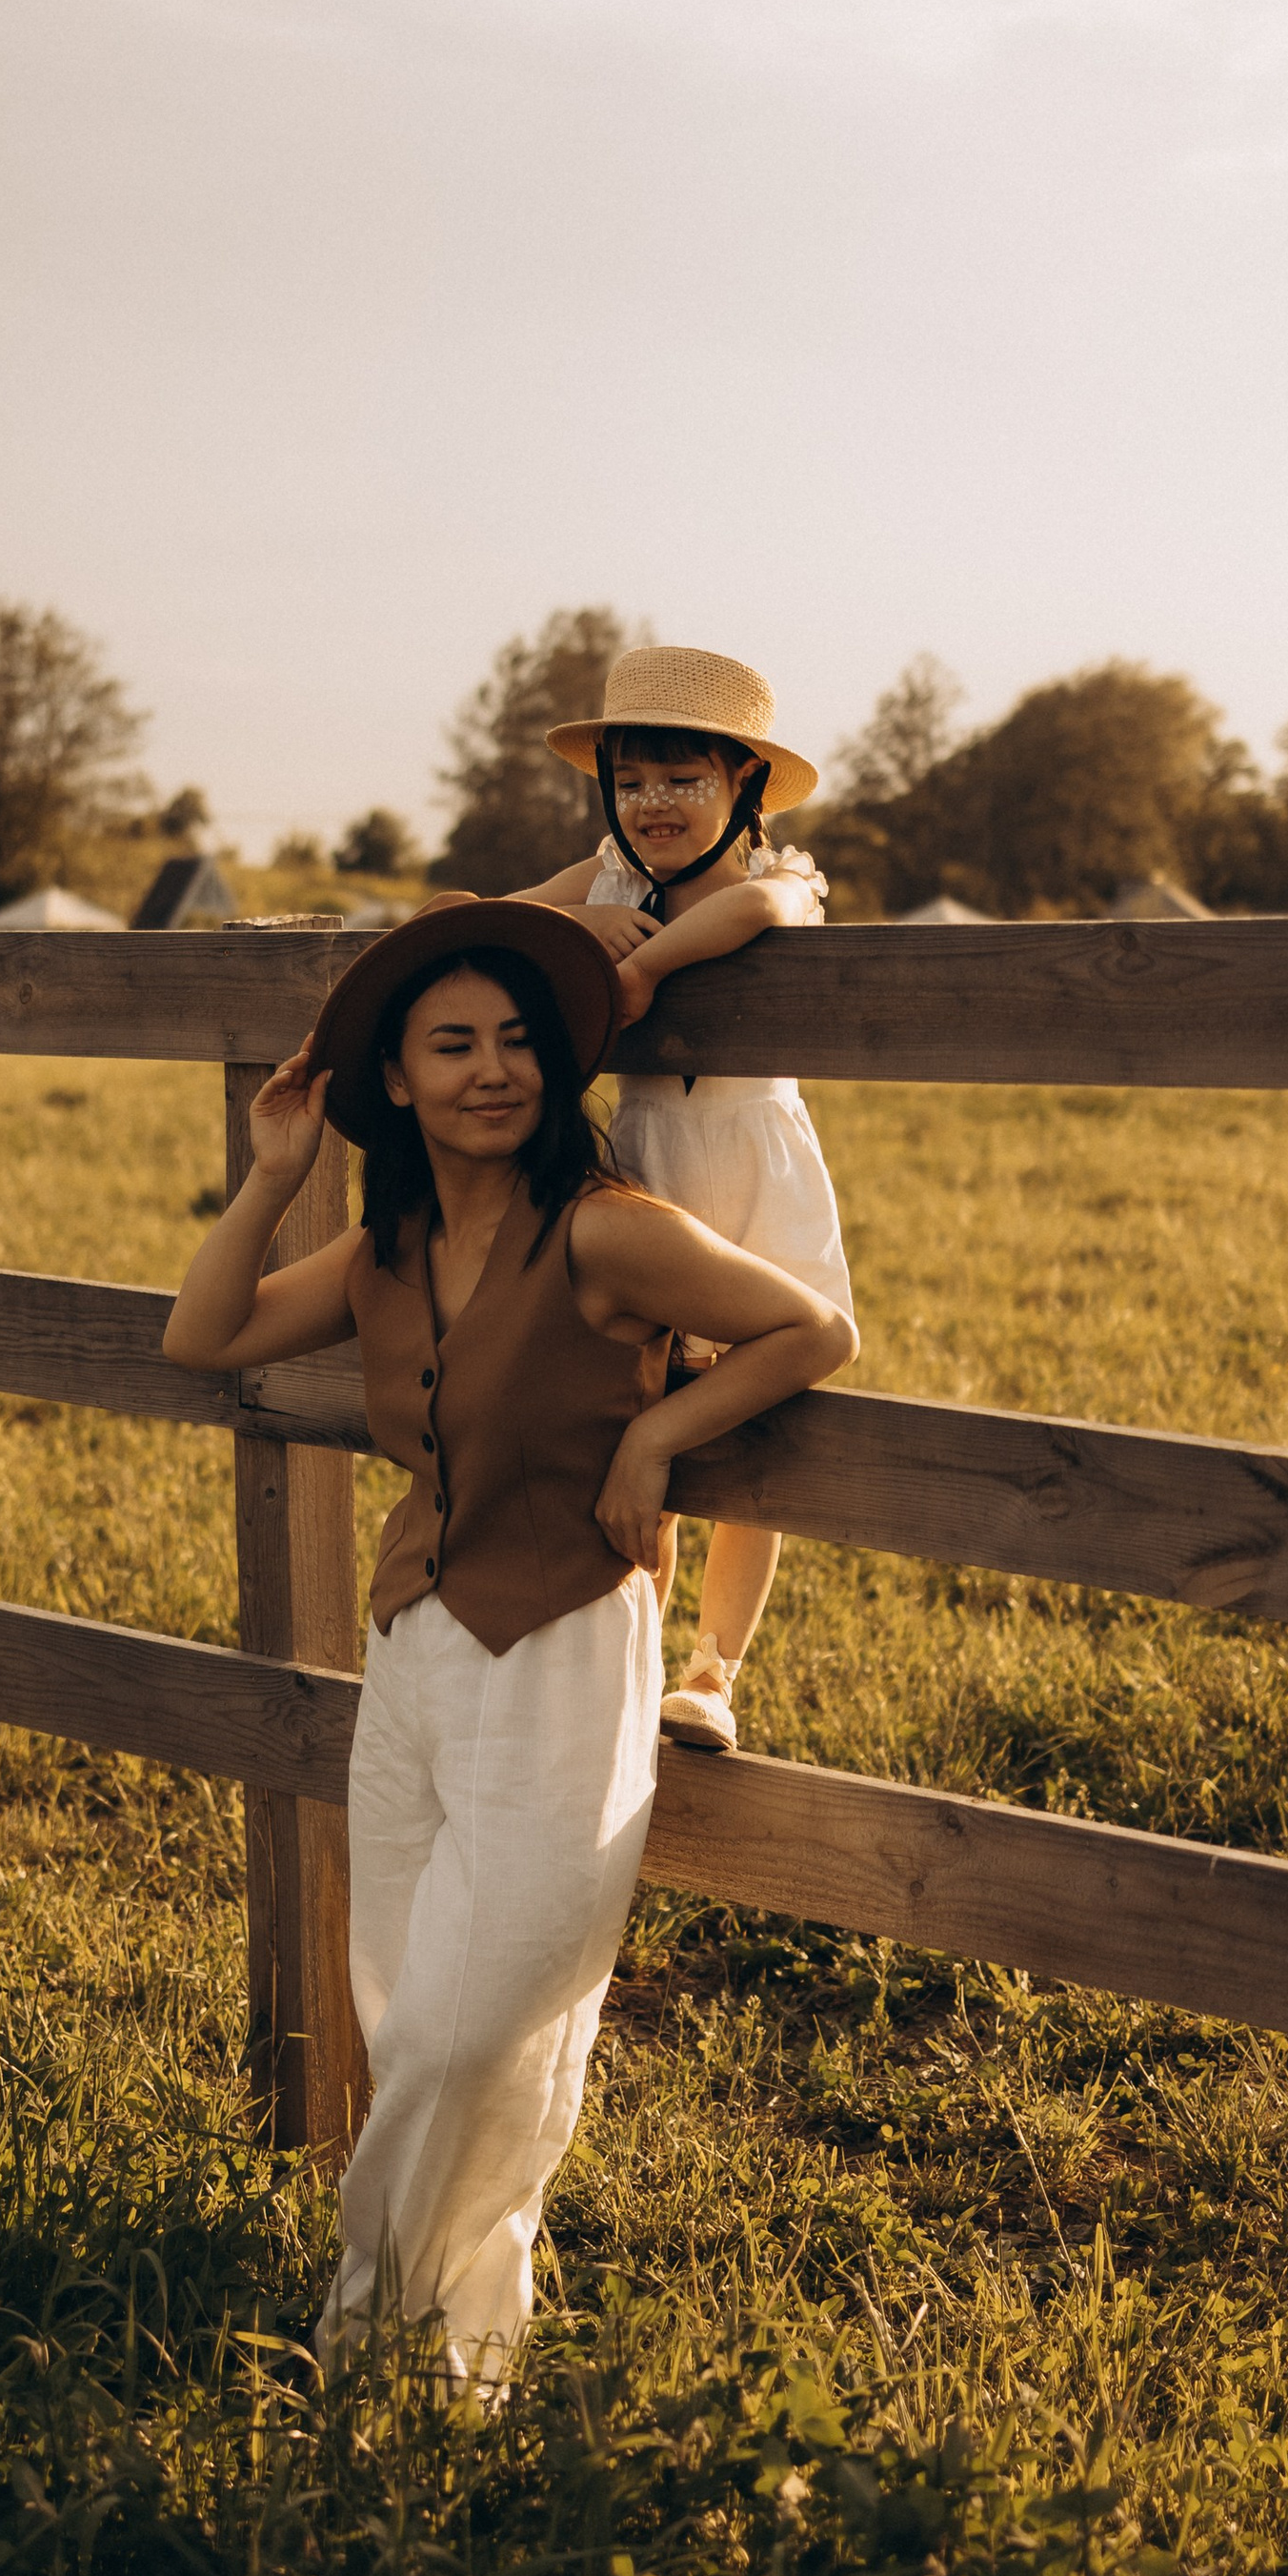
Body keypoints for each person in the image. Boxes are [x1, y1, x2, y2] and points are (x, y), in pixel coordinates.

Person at [162, 899, 855, 2395]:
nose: (496, 1070)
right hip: (412, 1651)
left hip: (564, 1644)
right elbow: (202, 1336)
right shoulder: (381, 1245)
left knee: (485, 2030)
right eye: (453, 1045)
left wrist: (663, 1430)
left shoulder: (604, 1226)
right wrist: (278, 1172)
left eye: (521, 1041)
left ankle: (364, 2338)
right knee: (406, 2009)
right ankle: (459, 2358)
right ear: (394, 1083)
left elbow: (814, 1332)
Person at [510, 643, 854, 1756]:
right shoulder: (605, 877)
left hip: (754, 1161)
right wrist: (579, 928)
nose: (653, 803)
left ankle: (715, 1669)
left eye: (684, 778)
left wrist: (644, 970)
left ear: (742, 784)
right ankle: (638, 1656)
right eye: (633, 780)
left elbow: (763, 912)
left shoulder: (780, 873)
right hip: (647, 1160)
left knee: (759, 1415)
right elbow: (497, 920)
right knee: (633, 1391)